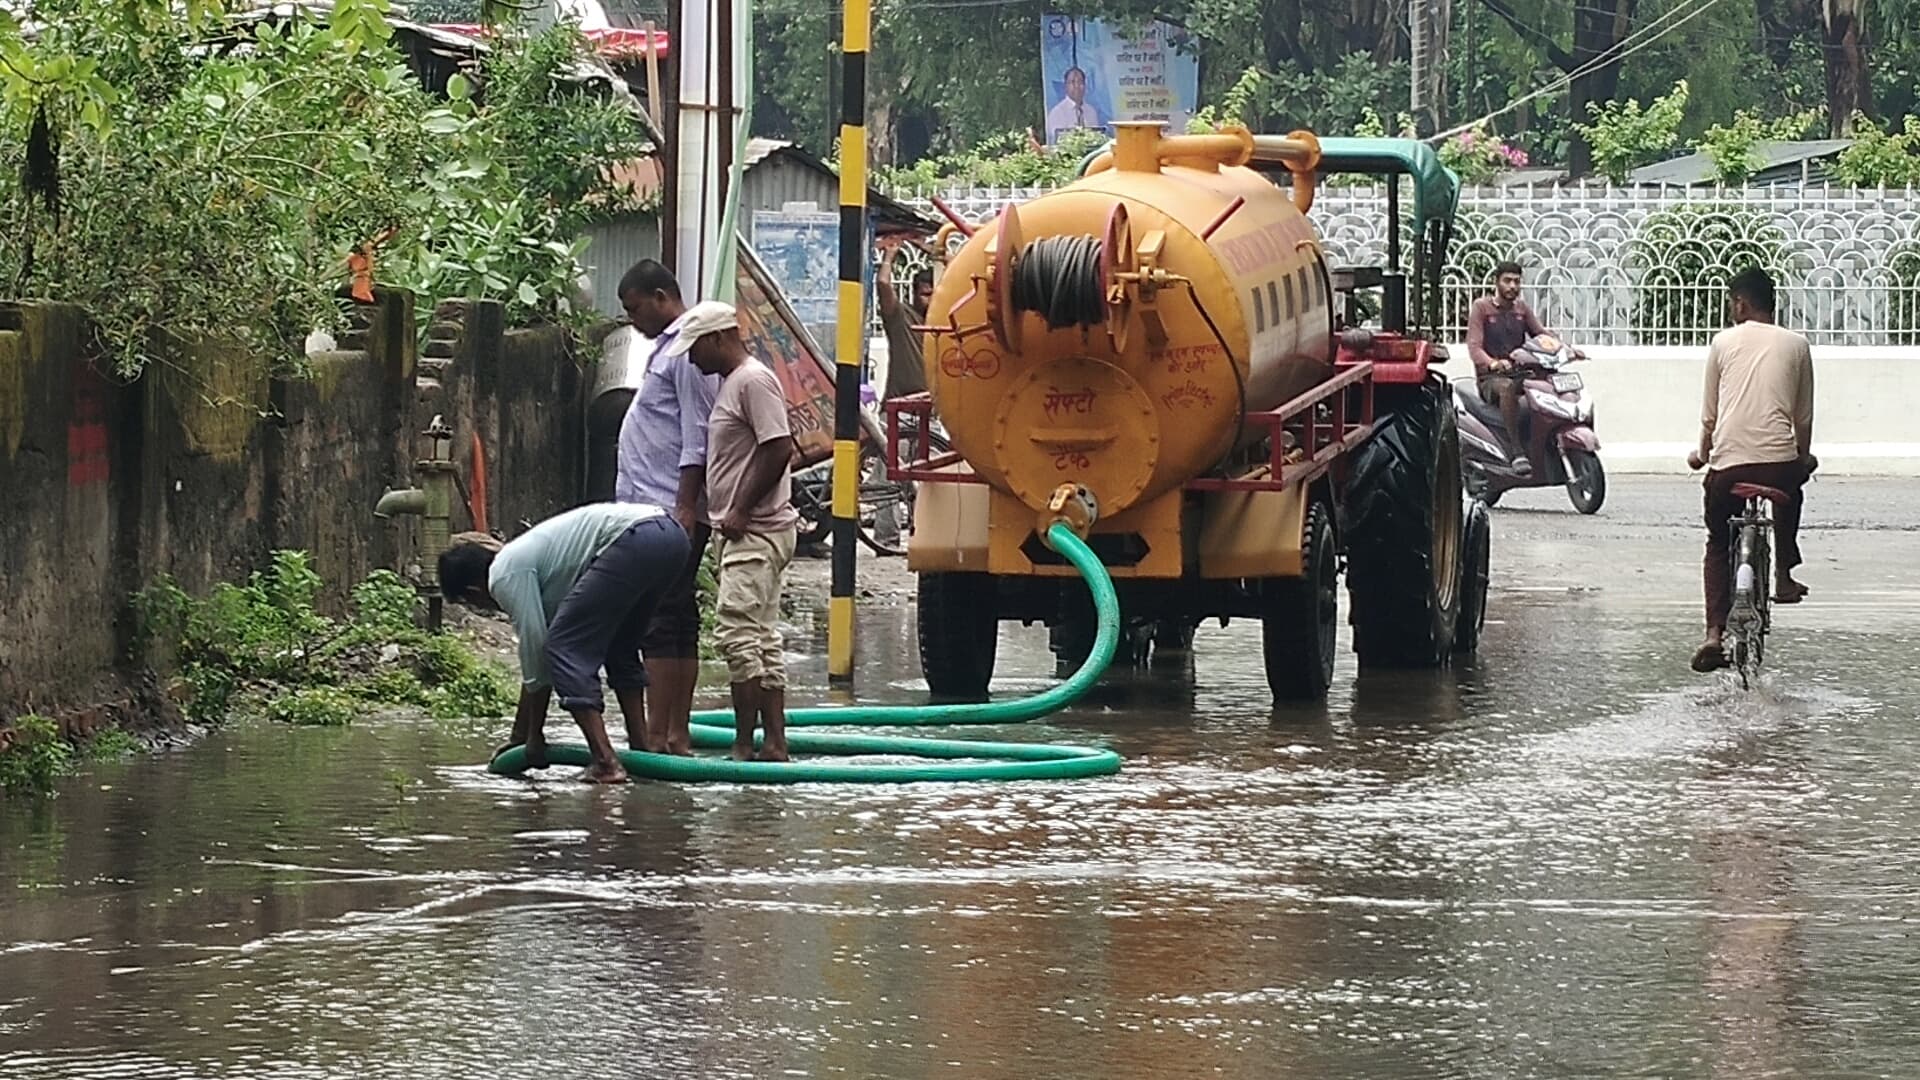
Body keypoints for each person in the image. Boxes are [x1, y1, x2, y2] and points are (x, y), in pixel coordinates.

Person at [439, 505, 690, 784]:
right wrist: (520, 738)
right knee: (620, 648)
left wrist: (534, 737)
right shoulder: (543, 565)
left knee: (563, 648)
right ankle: (643, 754)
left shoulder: (503, 573)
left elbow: (540, 650)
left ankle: (606, 762)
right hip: (672, 536)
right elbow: (535, 663)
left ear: (473, 591)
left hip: (636, 538)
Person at [666, 301, 800, 762]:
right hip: (752, 531)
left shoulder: (752, 381)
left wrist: (741, 508)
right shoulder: (734, 384)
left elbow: (779, 446)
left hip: (755, 531)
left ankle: (746, 744)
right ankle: (774, 744)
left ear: (718, 339)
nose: (691, 360)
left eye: (695, 349)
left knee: (738, 635)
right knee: (762, 637)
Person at [614, 259, 719, 756]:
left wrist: (683, 504)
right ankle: (672, 733)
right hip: (651, 504)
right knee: (674, 615)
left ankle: (662, 735)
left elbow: (697, 433)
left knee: (659, 617)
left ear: (661, 297)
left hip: (667, 507)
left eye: (635, 308)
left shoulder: (685, 352)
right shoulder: (666, 348)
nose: (632, 319)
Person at [1687, 266, 1815, 674]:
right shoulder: (1797, 344)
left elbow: (1710, 415)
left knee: (1717, 541)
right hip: (1780, 466)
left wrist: (1701, 453)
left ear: (1740, 304)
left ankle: (1712, 633)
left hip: (1728, 467)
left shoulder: (1723, 343)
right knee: (1793, 487)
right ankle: (1782, 573)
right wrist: (1801, 458)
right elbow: (1803, 417)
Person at [1464, 260, 1570, 473]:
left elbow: (1541, 334)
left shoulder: (1521, 309)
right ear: (1497, 282)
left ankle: (1547, 446)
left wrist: (1564, 348)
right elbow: (1474, 347)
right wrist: (1492, 362)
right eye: (1507, 281)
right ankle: (1516, 451)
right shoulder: (1481, 308)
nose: (1512, 286)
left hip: (1522, 373)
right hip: (1491, 380)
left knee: (1548, 388)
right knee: (1507, 388)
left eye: (1516, 281)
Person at [876, 236, 932, 402]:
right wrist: (889, 256)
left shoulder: (943, 322)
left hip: (932, 410)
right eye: (926, 295)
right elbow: (883, 283)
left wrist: (933, 251)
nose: (931, 300)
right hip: (900, 406)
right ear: (913, 294)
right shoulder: (900, 316)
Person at [1045, 65, 1104, 143]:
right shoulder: (1057, 113)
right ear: (1065, 86)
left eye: (1080, 82)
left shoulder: (1091, 111)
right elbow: (1058, 143)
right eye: (1072, 82)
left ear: (1085, 86)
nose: (1077, 86)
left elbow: (1096, 139)